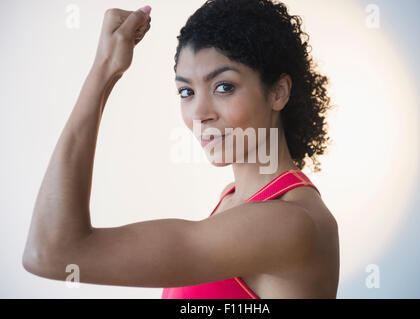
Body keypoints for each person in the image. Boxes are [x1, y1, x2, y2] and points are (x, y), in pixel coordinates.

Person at [22, 0, 339, 299]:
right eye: (186, 91)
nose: (199, 113)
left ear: (278, 92)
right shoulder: (233, 200)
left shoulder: (287, 223)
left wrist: (105, 69)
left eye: (223, 86)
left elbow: (51, 252)